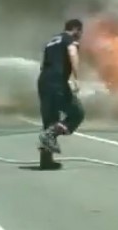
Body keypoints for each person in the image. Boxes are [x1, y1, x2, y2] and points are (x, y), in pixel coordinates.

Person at [37, 18, 86, 155]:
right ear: (76, 29)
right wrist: (76, 78)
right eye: (81, 32)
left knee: (49, 120)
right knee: (77, 113)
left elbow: (44, 64)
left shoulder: (51, 42)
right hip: (57, 82)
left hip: (43, 82)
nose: (81, 36)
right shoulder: (68, 39)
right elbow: (72, 54)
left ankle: (46, 161)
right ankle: (51, 134)